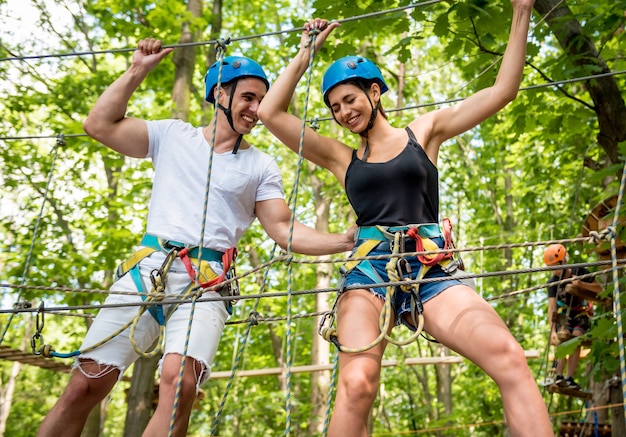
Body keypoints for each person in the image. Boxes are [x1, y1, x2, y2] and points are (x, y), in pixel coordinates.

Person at [258, 1, 553, 435]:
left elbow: (503, 91)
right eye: (335, 106)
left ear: (374, 92)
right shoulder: (343, 157)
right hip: (369, 270)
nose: (344, 112)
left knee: (507, 357)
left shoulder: (424, 133)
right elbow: (269, 113)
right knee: (357, 385)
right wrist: (306, 52)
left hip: (431, 267)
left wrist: (521, 10)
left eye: (350, 99)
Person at [37, 38, 354, 437]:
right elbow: (98, 125)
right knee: (85, 383)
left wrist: (343, 241)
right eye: (249, 97)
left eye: (262, 100)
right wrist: (138, 69)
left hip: (208, 282)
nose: (256, 109)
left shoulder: (260, 165)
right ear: (219, 93)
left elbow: (283, 230)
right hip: (149, 269)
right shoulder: (172, 136)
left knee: (179, 384)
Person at [544, 243, 601, 390]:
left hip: (581, 312)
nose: (555, 271)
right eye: (551, 268)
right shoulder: (552, 283)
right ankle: (558, 376)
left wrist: (581, 283)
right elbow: (552, 308)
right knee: (563, 338)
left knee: (575, 339)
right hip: (564, 314)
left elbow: (599, 289)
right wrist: (553, 331)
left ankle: (569, 378)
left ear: (565, 261)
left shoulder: (580, 271)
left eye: (556, 266)